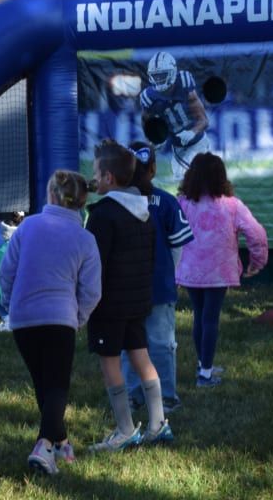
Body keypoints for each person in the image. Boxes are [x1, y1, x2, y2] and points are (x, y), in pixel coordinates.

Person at [0, 171, 101, 475]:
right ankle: (44, 445)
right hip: (60, 319)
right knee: (56, 385)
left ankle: (62, 442)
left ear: (52, 196)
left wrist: (9, 306)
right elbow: (92, 290)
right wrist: (78, 318)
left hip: (24, 318)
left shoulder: (27, 227)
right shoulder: (85, 238)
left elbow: (6, 272)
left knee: (43, 383)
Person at [85, 138, 172, 451]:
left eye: (96, 170)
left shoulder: (102, 215)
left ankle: (124, 429)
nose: (92, 176)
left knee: (110, 363)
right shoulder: (143, 210)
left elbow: (94, 265)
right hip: (137, 301)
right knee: (141, 355)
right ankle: (158, 423)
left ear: (108, 177)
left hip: (108, 304)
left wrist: (86, 303)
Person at [176, 153, 268, 387]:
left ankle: (203, 363)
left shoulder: (182, 203)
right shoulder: (232, 206)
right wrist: (257, 262)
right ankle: (205, 374)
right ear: (221, 176)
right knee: (210, 319)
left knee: (199, 316)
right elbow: (256, 234)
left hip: (189, 271)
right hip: (219, 272)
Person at [121, 141, 192, 412]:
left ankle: (133, 394)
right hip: (159, 287)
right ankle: (166, 396)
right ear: (153, 169)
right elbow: (177, 247)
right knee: (162, 344)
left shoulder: (114, 203)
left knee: (130, 343)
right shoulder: (166, 202)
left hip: (125, 289)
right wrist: (167, 274)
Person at [139, 50, 211, 183]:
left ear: (172, 72)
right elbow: (146, 123)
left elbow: (204, 120)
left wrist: (192, 132)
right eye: (156, 76)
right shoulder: (148, 97)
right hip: (178, 149)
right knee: (184, 187)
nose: (159, 79)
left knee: (200, 182)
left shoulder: (184, 83)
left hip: (198, 142)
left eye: (162, 75)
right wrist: (154, 139)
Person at [0, 211, 24, 332]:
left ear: (4, 232)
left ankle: (8, 319)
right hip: (34, 298)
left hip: (15, 300)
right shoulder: (28, 246)